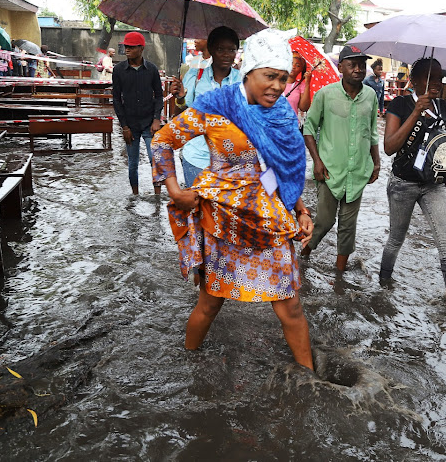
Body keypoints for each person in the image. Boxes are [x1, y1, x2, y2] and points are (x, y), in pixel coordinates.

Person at [150, 28, 315, 370]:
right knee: (211, 304)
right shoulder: (217, 106)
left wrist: (299, 208)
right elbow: (163, 141)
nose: (276, 86)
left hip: (269, 217)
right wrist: (175, 189)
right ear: (249, 71)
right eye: (269, 76)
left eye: (283, 78)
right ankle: (188, 365)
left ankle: (310, 381)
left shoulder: (282, 113)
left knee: (291, 307)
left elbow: (283, 169)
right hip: (223, 220)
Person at [378, 58, 446, 311]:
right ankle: (383, 284)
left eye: (438, 78)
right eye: (430, 78)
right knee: (396, 239)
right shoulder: (400, 104)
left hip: (434, 185)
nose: (436, 83)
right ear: (414, 81)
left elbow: (444, 153)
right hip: (403, 182)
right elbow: (390, 147)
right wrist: (415, 113)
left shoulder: (442, 107)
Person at [301, 44, 381, 272]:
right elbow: (309, 128)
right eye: (352, 64)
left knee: (348, 226)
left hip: (358, 170)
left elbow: (373, 131)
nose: (358, 69)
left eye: (361, 65)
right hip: (329, 170)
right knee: (325, 221)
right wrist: (317, 161)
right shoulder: (326, 94)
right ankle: (303, 254)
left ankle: (339, 275)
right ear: (341, 67)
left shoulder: (371, 96)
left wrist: (376, 162)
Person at [169, 26, 241, 188]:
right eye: (220, 49)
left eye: (231, 49)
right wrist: (180, 98)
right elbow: (180, 115)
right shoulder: (195, 77)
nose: (226, 54)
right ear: (211, 50)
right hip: (196, 158)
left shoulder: (242, 81)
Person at [112, 31, 164, 195]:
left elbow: (159, 95)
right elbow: (116, 99)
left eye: (131, 47)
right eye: (126, 46)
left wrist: (157, 119)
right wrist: (124, 126)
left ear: (141, 48)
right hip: (130, 124)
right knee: (133, 162)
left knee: (154, 159)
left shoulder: (152, 70)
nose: (127, 49)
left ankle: (157, 197)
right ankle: (135, 195)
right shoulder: (119, 70)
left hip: (149, 123)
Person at [283, 51, 312, 117]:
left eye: (297, 65)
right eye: (291, 63)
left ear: (301, 69)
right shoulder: (276, 82)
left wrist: (307, 84)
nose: (293, 67)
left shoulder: (301, 86)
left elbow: (304, 108)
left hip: (291, 125)